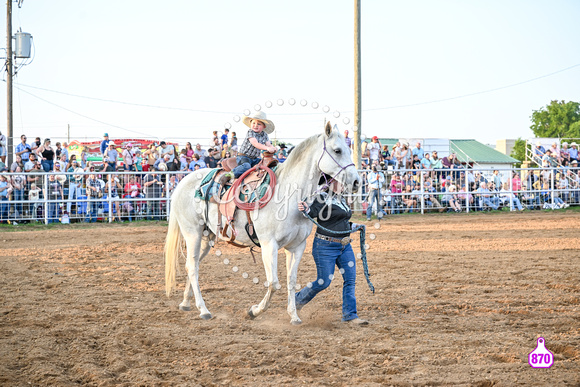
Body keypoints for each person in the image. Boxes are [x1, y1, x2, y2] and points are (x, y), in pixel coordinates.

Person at [295, 180, 368, 325]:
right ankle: (297, 300)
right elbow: (312, 212)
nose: (343, 184)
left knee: (350, 279)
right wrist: (305, 209)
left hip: (344, 246)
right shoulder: (321, 197)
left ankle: (350, 315)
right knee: (323, 282)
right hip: (325, 246)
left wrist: (354, 225)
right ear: (332, 182)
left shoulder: (341, 199)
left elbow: (341, 221)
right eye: (340, 181)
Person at [232, 112, 277, 178]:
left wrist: (273, 148)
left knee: (266, 165)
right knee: (246, 167)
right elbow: (255, 143)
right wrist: (267, 148)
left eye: (259, 124)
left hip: (255, 159)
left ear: (264, 126)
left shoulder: (265, 135)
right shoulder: (250, 132)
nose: (255, 125)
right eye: (254, 123)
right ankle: (230, 174)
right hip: (244, 157)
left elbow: (268, 144)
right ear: (250, 124)